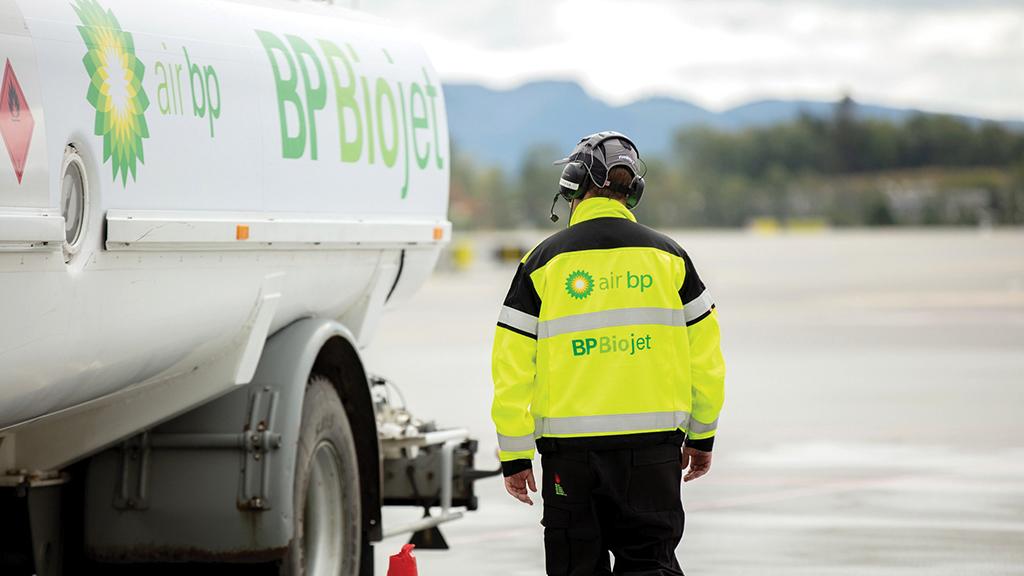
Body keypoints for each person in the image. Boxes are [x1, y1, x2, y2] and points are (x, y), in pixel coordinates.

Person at [490, 132, 726, 575]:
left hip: (569, 458)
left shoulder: (542, 262)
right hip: (653, 453)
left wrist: (515, 454)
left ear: (573, 183)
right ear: (633, 190)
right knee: (651, 565)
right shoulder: (670, 258)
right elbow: (707, 359)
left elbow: (511, 368)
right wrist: (702, 435)